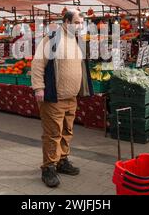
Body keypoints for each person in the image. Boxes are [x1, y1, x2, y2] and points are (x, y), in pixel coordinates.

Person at [32, 10, 94, 188]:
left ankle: (62, 160)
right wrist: (39, 88)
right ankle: (48, 167)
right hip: (54, 97)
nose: (80, 26)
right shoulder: (51, 39)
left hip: (71, 97)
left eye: (82, 23)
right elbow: (37, 64)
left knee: (67, 131)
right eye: (76, 22)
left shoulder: (76, 40)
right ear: (66, 22)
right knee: (53, 134)